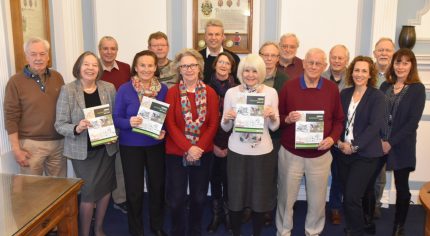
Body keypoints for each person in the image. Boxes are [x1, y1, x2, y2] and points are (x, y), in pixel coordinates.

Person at [276, 48, 344, 236]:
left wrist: (331, 139)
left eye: (318, 63)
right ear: (303, 64)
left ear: (324, 66)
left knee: (317, 200)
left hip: (320, 156)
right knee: (286, 198)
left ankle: (313, 232)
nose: (314, 66)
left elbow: (339, 120)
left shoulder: (331, 89)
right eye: (310, 62)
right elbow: (278, 118)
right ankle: (283, 231)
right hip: (291, 154)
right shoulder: (289, 87)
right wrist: (287, 119)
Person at [55, 51, 117, 236]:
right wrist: (77, 127)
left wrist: (115, 133)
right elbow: (59, 124)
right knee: (89, 193)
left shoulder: (109, 88)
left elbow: (114, 117)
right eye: (86, 64)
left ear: (99, 69)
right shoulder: (68, 90)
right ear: (78, 68)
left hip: (106, 148)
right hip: (82, 152)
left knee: (106, 189)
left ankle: (98, 228)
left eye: (94, 65)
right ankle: (83, 232)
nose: (90, 68)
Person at [221, 54, 280, 236]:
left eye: (255, 71)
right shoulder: (232, 93)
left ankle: (256, 233)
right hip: (237, 151)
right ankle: (236, 233)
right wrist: (227, 118)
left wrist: (272, 116)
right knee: (236, 197)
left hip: (263, 153)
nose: (250, 75)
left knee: (259, 199)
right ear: (241, 72)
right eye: (247, 70)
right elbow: (225, 128)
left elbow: (274, 126)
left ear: (261, 72)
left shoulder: (270, 93)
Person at [113, 50, 168, 236]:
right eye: (142, 65)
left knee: (157, 188)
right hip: (131, 146)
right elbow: (115, 118)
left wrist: (164, 131)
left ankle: (157, 226)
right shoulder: (124, 89)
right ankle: (136, 231)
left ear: (155, 67)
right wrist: (128, 122)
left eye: (150, 65)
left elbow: (166, 118)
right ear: (135, 67)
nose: (146, 69)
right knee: (134, 191)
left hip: (155, 145)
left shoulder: (163, 89)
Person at [165, 48, 219, 235]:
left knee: (198, 196)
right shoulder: (172, 93)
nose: (189, 69)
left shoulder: (210, 93)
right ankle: (178, 230)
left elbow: (213, 124)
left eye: (192, 65)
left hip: (203, 152)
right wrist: (189, 147)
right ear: (179, 69)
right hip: (176, 152)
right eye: (184, 66)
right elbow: (170, 124)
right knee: (177, 198)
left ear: (199, 68)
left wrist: (198, 148)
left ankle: (195, 230)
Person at [335, 56, 385, 236]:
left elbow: (374, 127)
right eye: (357, 70)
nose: (359, 74)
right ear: (351, 72)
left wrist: (354, 146)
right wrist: (338, 142)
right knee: (348, 196)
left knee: (352, 197)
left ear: (370, 74)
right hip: (343, 153)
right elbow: (339, 120)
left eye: (364, 71)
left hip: (365, 155)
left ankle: (356, 231)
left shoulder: (377, 96)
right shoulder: (345, 94)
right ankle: (353, 227)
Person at [4, 37, 66, 177]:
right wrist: (16, 149)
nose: (38, 58)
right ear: (27, 57)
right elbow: (11, 117)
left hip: (58, 143)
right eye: (33, 54)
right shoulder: (15, 82)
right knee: (32, 192)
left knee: (59, 190)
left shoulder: (57, 77)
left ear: (48, 56)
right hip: (31, 146)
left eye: (42, 54)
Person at [380, 48, 425, 236]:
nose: (400, 66)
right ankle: (366, 220)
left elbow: (412, 122)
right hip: (379, 143)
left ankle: (399, 226)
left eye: (405, 63)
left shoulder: (417, 89)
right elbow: (378, 116)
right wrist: (381, 140)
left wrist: (391, 142)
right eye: (398, 62)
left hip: (402, 145)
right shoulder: (384, 86)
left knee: (402, 187)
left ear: (412, 66)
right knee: (368, 182)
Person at [206, 52, 238, 233]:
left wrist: (225, 145)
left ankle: (228, 216)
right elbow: (204, 120)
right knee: (215, 178)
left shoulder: (238, 89)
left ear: (231, 67)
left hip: (232, 143)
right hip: (211, 143)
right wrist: (214, 145)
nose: (224, 66)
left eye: (227, 63)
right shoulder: (205, 87)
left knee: (229, 180)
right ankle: (216, 215)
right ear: (215, 65)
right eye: (221, 62)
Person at [98, 35, 131, 214]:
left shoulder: (126, 68)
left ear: (117, 50)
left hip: (122, 122)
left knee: (120, 163)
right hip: (101, 123)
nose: (109, 52)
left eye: (113, 48)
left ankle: (120, 198)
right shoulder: (93, 68)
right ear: (99, 50)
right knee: (100, 163)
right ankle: (96, 200)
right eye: (105, 48)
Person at [259, 41, 290, 226]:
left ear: (278, 59)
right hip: (250, 135)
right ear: (259, 55)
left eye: (273, 55)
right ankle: (251, 207)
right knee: (254, 173)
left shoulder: (284, 80)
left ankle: (267, 209)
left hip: (274, 135)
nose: (269, 59)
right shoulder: (251, 74)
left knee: (270, 175)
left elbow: (285, 108)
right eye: (265, 54)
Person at [322, 44, 350, 225]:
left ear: (346, 60)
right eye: (334, 57)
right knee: (319, 172)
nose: (337, 61)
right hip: (323, 134)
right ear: (329, 59)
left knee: (340, 174)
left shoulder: (354, 78)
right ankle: (316, 206)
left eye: (341, 58)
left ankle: (334, 207)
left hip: (344, 133)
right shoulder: (320, 77)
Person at [372, 37, 396, 219]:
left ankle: (375, 204)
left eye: (388, 51)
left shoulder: (398, 76)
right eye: (380, 50)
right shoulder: (365, 72)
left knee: (380, 174)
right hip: (366, 132)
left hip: (386, 134)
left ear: (393, 54)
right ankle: (363, 204)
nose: (384, 54)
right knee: (363, 171)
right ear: (374, 53)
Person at [198, 19, 240, 84]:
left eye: (217, 34)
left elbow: (238, 84)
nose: (213, 38)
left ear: (223, 37)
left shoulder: (234, 58)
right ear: (205, 36)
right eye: (210, 34)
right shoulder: (197, 57)